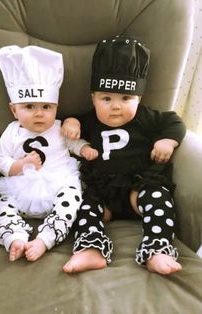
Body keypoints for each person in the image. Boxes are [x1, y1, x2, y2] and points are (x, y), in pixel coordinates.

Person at [62, 36, 186, 275]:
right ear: (93, 98)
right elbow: (70, 119)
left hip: (137, 189)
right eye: (106, 98)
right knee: (83, 207)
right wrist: (71, 122)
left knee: (159, 198)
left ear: (139, 98)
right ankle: (90, 248)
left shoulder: (146, 117)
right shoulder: (89, 119)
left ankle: (157, 249)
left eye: (126, 98)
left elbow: (174, 121)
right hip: (102, 191)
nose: (115, 106)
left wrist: (167, 141)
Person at [0, 45, 97, 262]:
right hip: (20, 188)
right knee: (3, 205)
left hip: (59, 182)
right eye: (29, 106)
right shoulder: (11, 132)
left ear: (56, 108)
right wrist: (20, 165)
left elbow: (74, 144)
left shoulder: (60, 127)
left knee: (72, 197)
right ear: (14, 110)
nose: (39, 113)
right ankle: (14, 238)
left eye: (46, 107)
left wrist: (85, 149)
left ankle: (46, 238)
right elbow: (1, 160)